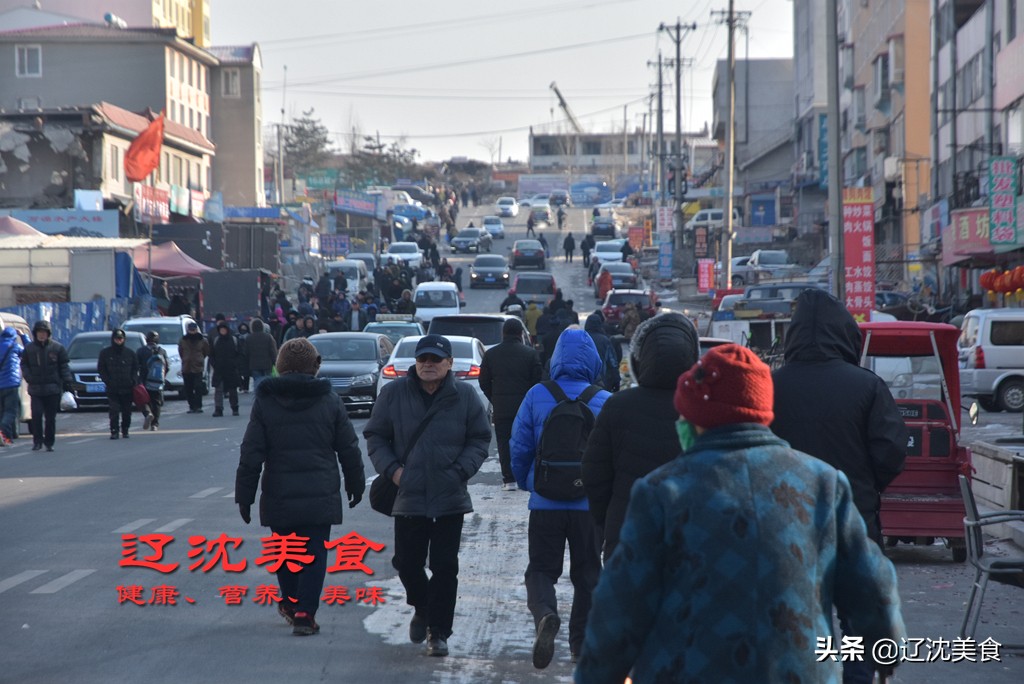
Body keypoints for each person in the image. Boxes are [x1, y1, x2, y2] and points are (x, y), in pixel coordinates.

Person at [574, 344, 906, 683]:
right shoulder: (823, 484)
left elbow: (620, 609)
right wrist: (886, 648)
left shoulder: (662, 491)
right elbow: (873, 589)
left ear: (697, 418)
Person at [770, 288, 908, 684]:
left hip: (787, 526)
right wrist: (864, 487)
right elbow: (891, 450)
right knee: (859, 622)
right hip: (853, 524)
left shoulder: (769, 386)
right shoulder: (866, 386)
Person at [364, 334, 490, 658]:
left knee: (445, 566)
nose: (428, 365)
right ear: (415, 363)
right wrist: (393, 471)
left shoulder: (464, 396)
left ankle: (439, 632)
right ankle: (421, 605)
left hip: (449, 495)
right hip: (408, 494)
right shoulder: (393, 394)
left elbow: (479, 437)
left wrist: (461, 470)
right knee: (407, 563)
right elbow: (375, 436)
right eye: (423, 360)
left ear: (449, 364)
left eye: (435, 360)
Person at [236, 337, 365, 637]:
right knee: (315, 552)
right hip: (320, 491)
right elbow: (348, 447)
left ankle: (292, 603)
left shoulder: (266, 402)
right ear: (315, 367)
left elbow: (251, 452)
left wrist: (245, 496)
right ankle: (306, 612)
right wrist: (356, 483)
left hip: (279, 492)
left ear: (280, 368)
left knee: (286, 551)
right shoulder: (330, 400)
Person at [510, 328, 610, 669]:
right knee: (588, 574)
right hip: (589, 505)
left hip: (547, 501)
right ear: (593, 360)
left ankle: (545, 614)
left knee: (540, 568)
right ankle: (580, 645)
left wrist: (530, 482)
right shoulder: (604, 399)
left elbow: (519, 445)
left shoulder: (537, 394)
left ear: (555, 360)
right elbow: (611, 454)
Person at [582, 312, 698, 560]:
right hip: (689, 537)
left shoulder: (618, 405)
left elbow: (594, 472)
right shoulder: (702, 409)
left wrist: (608, 519)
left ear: (639, 357)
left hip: (627, 533)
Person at [479, 319, 542, 491]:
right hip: (525, 407)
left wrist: (494, 397)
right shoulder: (530, 354)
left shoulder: (491, 354)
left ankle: (509, 479)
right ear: (521, 334)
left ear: (503, 333)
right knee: (526, 440)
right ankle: (526, 475)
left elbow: (483, 381)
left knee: (504, 442)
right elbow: (538, 381)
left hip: (501, 408)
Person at [98, 328, 140, 440]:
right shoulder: (105, 353)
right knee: (114, 411)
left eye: (121, 338)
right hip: (113, 388)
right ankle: (114, 431)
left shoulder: (130, 353)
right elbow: (101, 369)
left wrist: (133, 381)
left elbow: (136, 369)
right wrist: (107, 380)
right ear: (113, 339)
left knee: (127, 412)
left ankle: (125, 429)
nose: (119, 341)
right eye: (117, 338)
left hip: (127, 388)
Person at [0, 325, 30, 445]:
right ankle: (4, 431)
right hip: (11, 384)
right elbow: (30, 351)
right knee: (11, 411)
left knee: (2, 411)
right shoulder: (14, 346)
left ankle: (5, 438)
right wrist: (23, 335)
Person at [137, 331, 169, 431]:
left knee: (142, 400)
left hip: (144, 380)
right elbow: (167, 366)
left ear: (146, 339)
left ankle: (148, 413)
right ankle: (155, 424)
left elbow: (136, 366)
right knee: (157, 403)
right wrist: (162, 377)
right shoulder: (162, 351)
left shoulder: (141, 351)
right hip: (158, 382)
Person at [210, 321, 243, 417]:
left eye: (224, 329)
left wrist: (235, 364)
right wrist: (214, 364)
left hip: (231, 369)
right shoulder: (216, 340)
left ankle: (235, 408)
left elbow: (240, 354)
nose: (223, 331)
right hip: (219, 370)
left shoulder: (233, 340)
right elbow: (211, 354)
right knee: (218, 390)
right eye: (221, 329)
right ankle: (218, 409)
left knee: (232, 390)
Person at [582, 311, 621, 394]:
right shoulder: (605, 340)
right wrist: (616, 380)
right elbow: (612, 362)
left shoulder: (581, 338)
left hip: (582, 380)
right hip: (601, 381)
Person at [179, 321, 210, 413]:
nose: (192, 332)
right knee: (188, 388)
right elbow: (181, 351)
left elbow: (206, 352)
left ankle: (198, 406)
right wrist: (185, 359)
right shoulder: (183, 340)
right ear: (188, 330)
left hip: (197, 366)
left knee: (198, 387)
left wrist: (199, 359)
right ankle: (191, 406)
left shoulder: (202, 340)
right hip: (186, 367)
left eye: (194, 330)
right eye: (190, 330)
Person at [244, 319, 278, 390]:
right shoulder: (268, 337)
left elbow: (246, 353)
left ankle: (259, 398)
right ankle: (268, 397)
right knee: (268, 383)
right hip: (267, 364)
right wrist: (275, 362)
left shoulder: (249, 338)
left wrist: (247, 365)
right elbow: (272, 351)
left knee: (257, 383)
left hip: (254, 365)